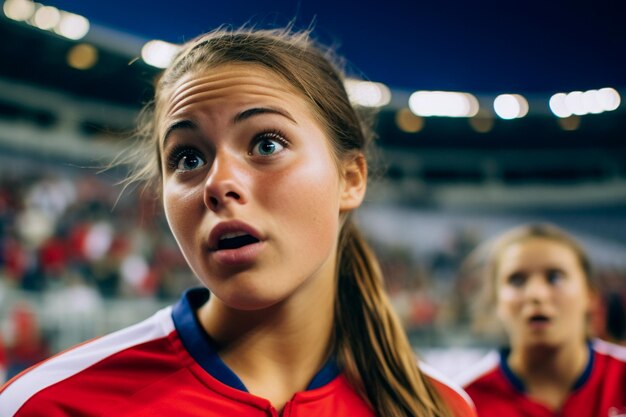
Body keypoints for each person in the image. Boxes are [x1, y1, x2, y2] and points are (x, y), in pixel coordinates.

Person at [0, 27, 475, 417]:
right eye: (187, 157)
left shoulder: (441, 407)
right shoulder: (49, 405)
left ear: (350, 178)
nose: (217, 183)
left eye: (266, 144)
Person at [455, 223, 626, 417]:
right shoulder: (463, 403)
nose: (536, 294)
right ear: (496, 301)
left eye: (555, 277)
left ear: (590, 294)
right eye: (517, 280)